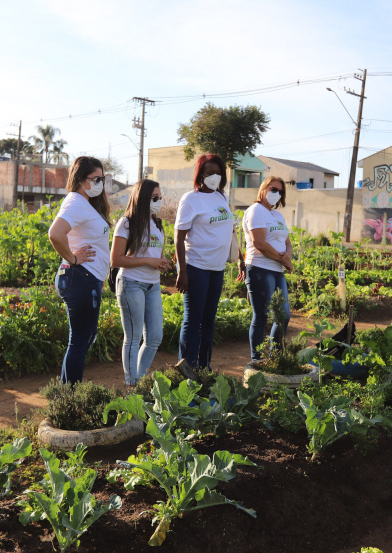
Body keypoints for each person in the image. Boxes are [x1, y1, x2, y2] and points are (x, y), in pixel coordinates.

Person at [174, 154, 245, 371]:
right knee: (193, 319)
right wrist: (182, 271)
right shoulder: (190, 200)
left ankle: (204, 367)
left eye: (218, 173)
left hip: (217, 268)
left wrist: (241, 257)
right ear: (200, 175)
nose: (214, 177)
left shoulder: (221, 197)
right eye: (209, 173)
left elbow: (229, 231)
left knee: (209, 320)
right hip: (196, 267)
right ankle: (187, 368)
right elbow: (178, 238)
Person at [48, 156, 110, 383]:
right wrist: (73, 259)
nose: (100, 183)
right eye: (96, 179)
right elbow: (55, 234)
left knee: (83, 338)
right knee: (81, 340)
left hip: (87, 278)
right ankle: (69, 398)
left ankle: (66, 396)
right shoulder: (75, 201)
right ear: (81, 179)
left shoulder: (85, 204)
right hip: (80, 276)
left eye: (102, 179)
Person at [111, 179, 172, 389]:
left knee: (154, 337)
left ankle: (140, 381)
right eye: (154, 197)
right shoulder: (127, 223)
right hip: (131, 283)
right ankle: (132, 385)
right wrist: (149, 261)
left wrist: (162, 263)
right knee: (134, 337)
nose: (158, 201)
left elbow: (157, 256)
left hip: (152, 285)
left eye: (160, 197)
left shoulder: (158, 225)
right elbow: (116, 259)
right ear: (142, 198)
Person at [243, 176, 292, 360]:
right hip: (260, 269)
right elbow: (259, 243)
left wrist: (287, 256)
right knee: (261, 316)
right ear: (263, 189)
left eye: (280, 192)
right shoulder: (255, 211)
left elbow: (288, 243)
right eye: (273, 189)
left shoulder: (277, 215)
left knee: (283, 316)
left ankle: (275, 357)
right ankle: (257, 359)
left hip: (277, 272)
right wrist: (284, 260)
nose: (276, 194)